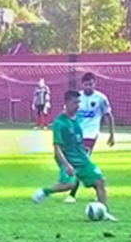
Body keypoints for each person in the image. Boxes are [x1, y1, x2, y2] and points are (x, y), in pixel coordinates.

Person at [32, 89, 117, 220]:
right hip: (67, 159)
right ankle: (45, 192)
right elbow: (57, 147)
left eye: (79, 102)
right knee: (69, 184)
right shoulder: (60, 123)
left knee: (100, 181)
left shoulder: (79, 117)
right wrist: (66, 165)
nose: (77, 106)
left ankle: (103, 212)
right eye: (74, 103)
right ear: (66, 103)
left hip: (81, 158)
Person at [64, 72, 116, 204]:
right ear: (82, 85)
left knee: (81, 162)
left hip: (91, 134)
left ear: (95, 84)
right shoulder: (78, 98)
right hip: (77, 134)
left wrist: (111, 135)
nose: (88, 87)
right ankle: (98, 187)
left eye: (90, 84)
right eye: (86, 84)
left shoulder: (100, 98)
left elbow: (108, 116)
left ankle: (72, 194)